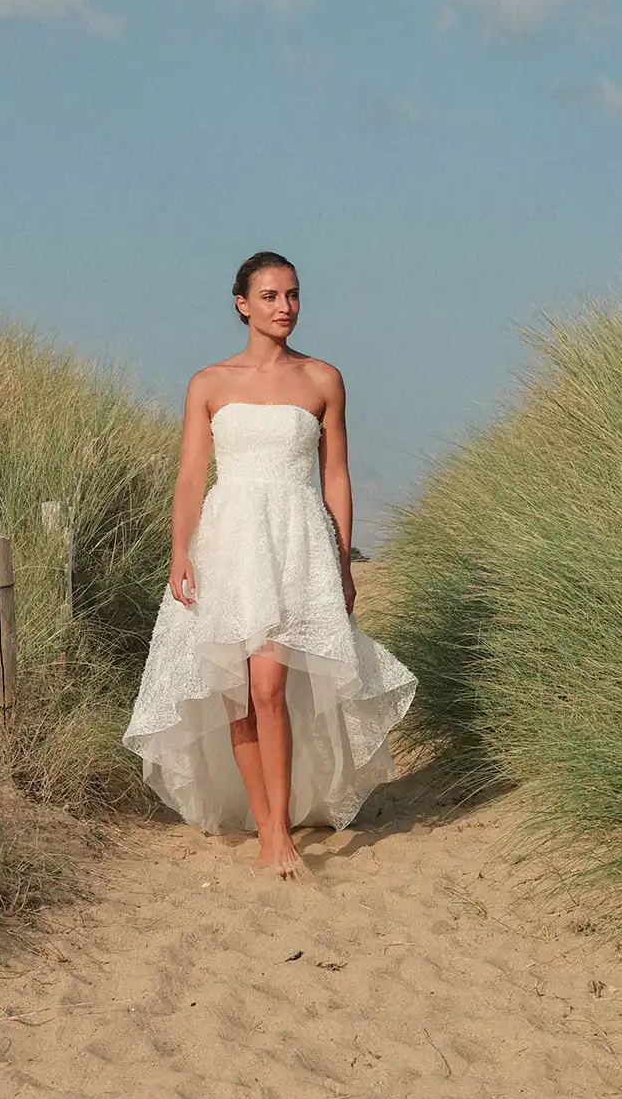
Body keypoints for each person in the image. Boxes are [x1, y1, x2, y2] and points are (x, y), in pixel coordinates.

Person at [123, 251, 416, 878]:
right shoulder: (209, 383)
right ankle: (267, 830)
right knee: (238, 695)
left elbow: (334, 476)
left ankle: (280, 832)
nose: (285, 307)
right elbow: (191, 476)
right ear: (242, 304)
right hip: (228, 543)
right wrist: (180, 550)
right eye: (270, 296)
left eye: (293, 295)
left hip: (296, 543)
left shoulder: (322, 379)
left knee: (269, 687)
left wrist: (342, 560)